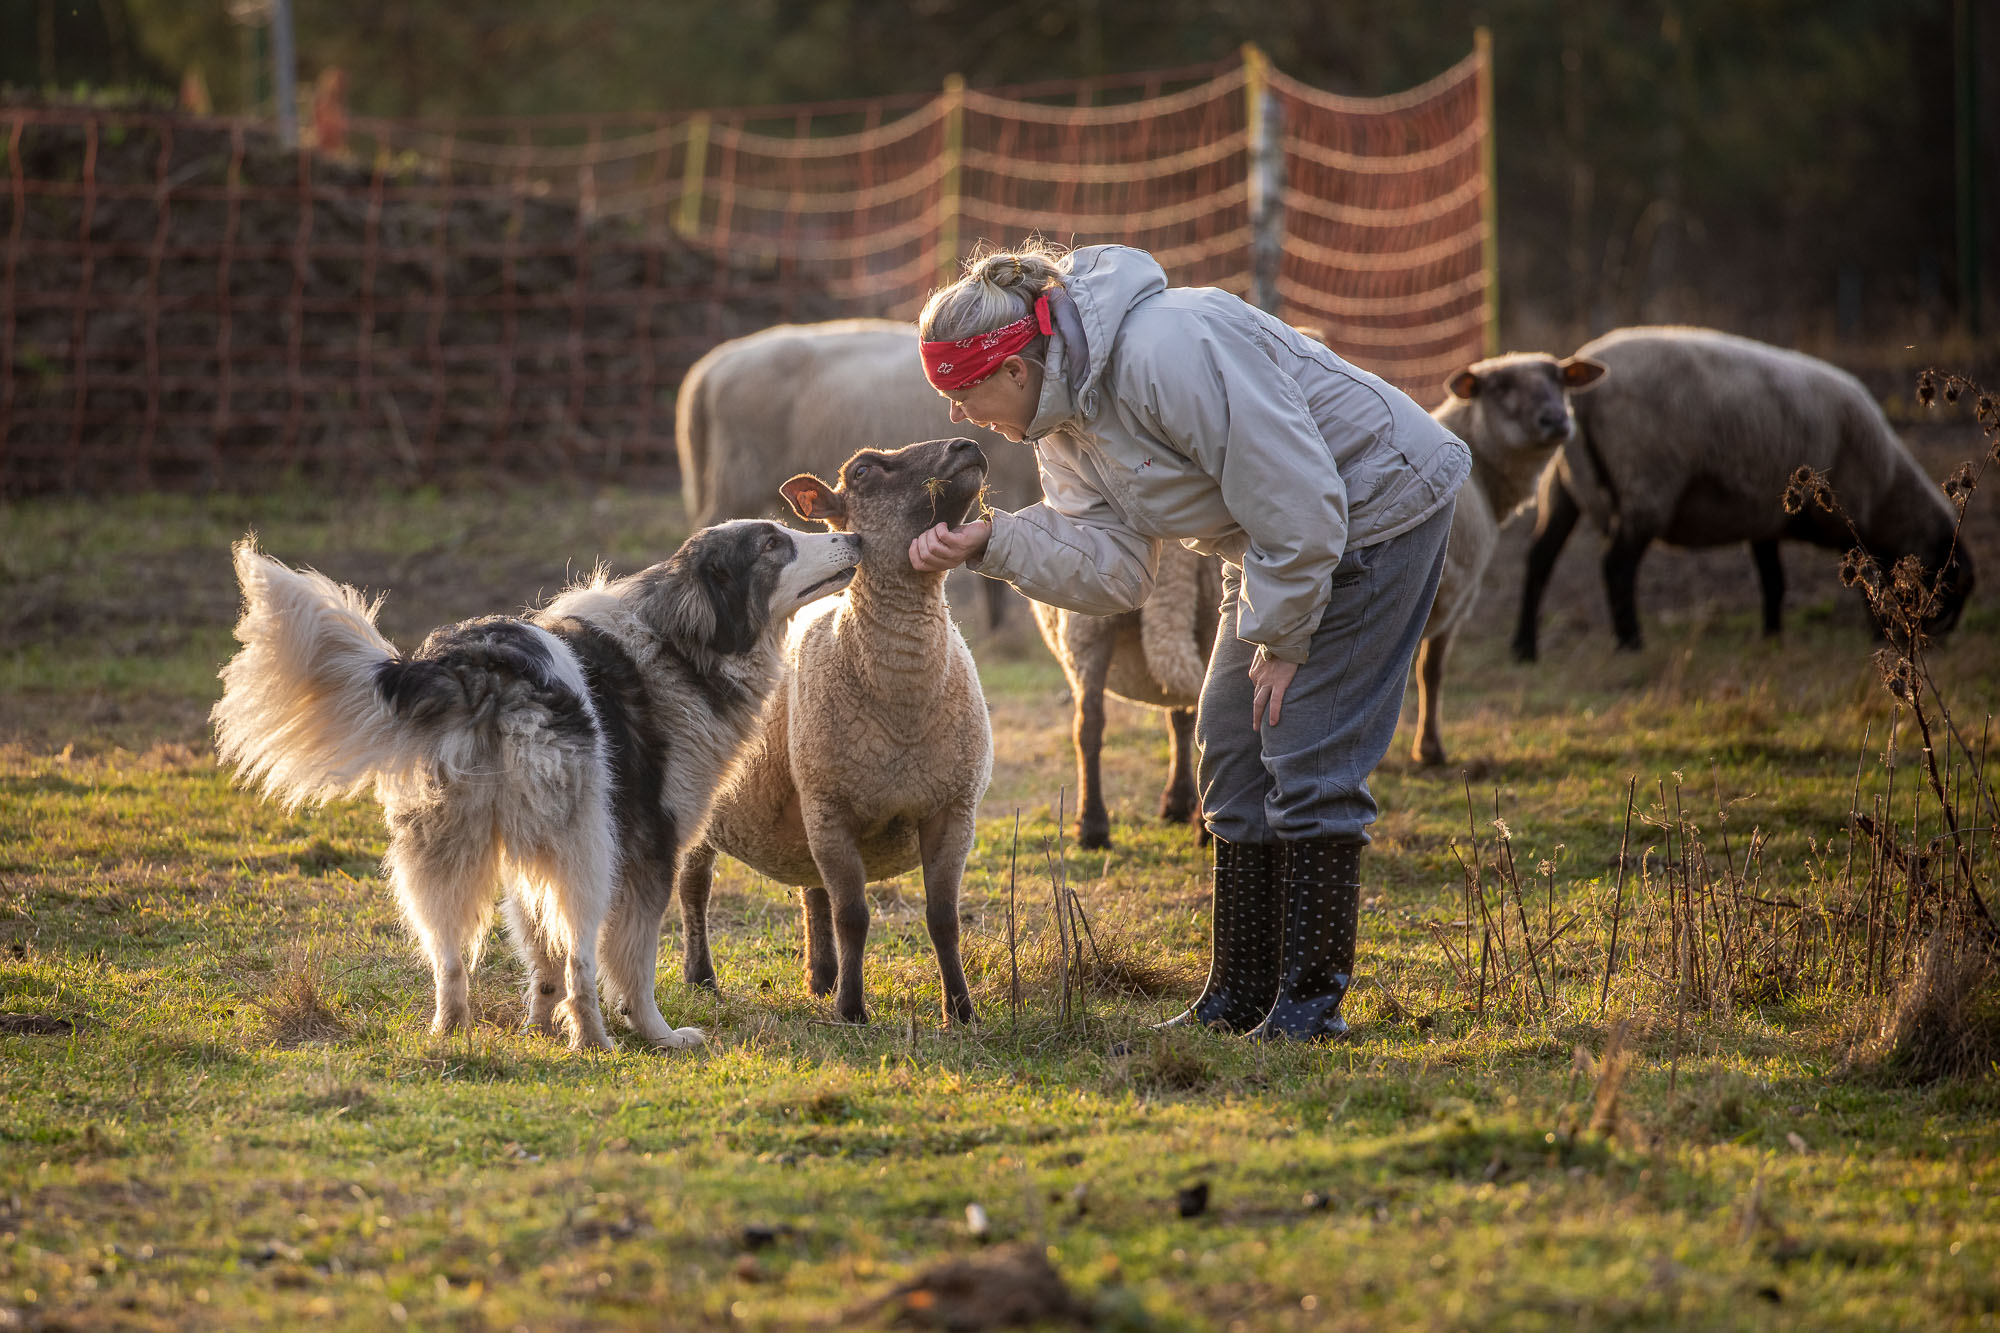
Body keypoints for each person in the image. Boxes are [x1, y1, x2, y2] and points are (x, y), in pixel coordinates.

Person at [907, 242, 1469, 1040]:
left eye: (960, 391)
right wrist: (990, 542)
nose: (958, 415)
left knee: (1305, 745)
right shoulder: (1062, 426)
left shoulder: (1171, 348)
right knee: (1231, 742)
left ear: (1013, 367)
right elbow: (1115, 570)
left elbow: (1299, 496)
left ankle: (1308, 1009)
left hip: (1377, 506)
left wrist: (1282, 638)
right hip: (1271, 540)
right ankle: (1236, 996)